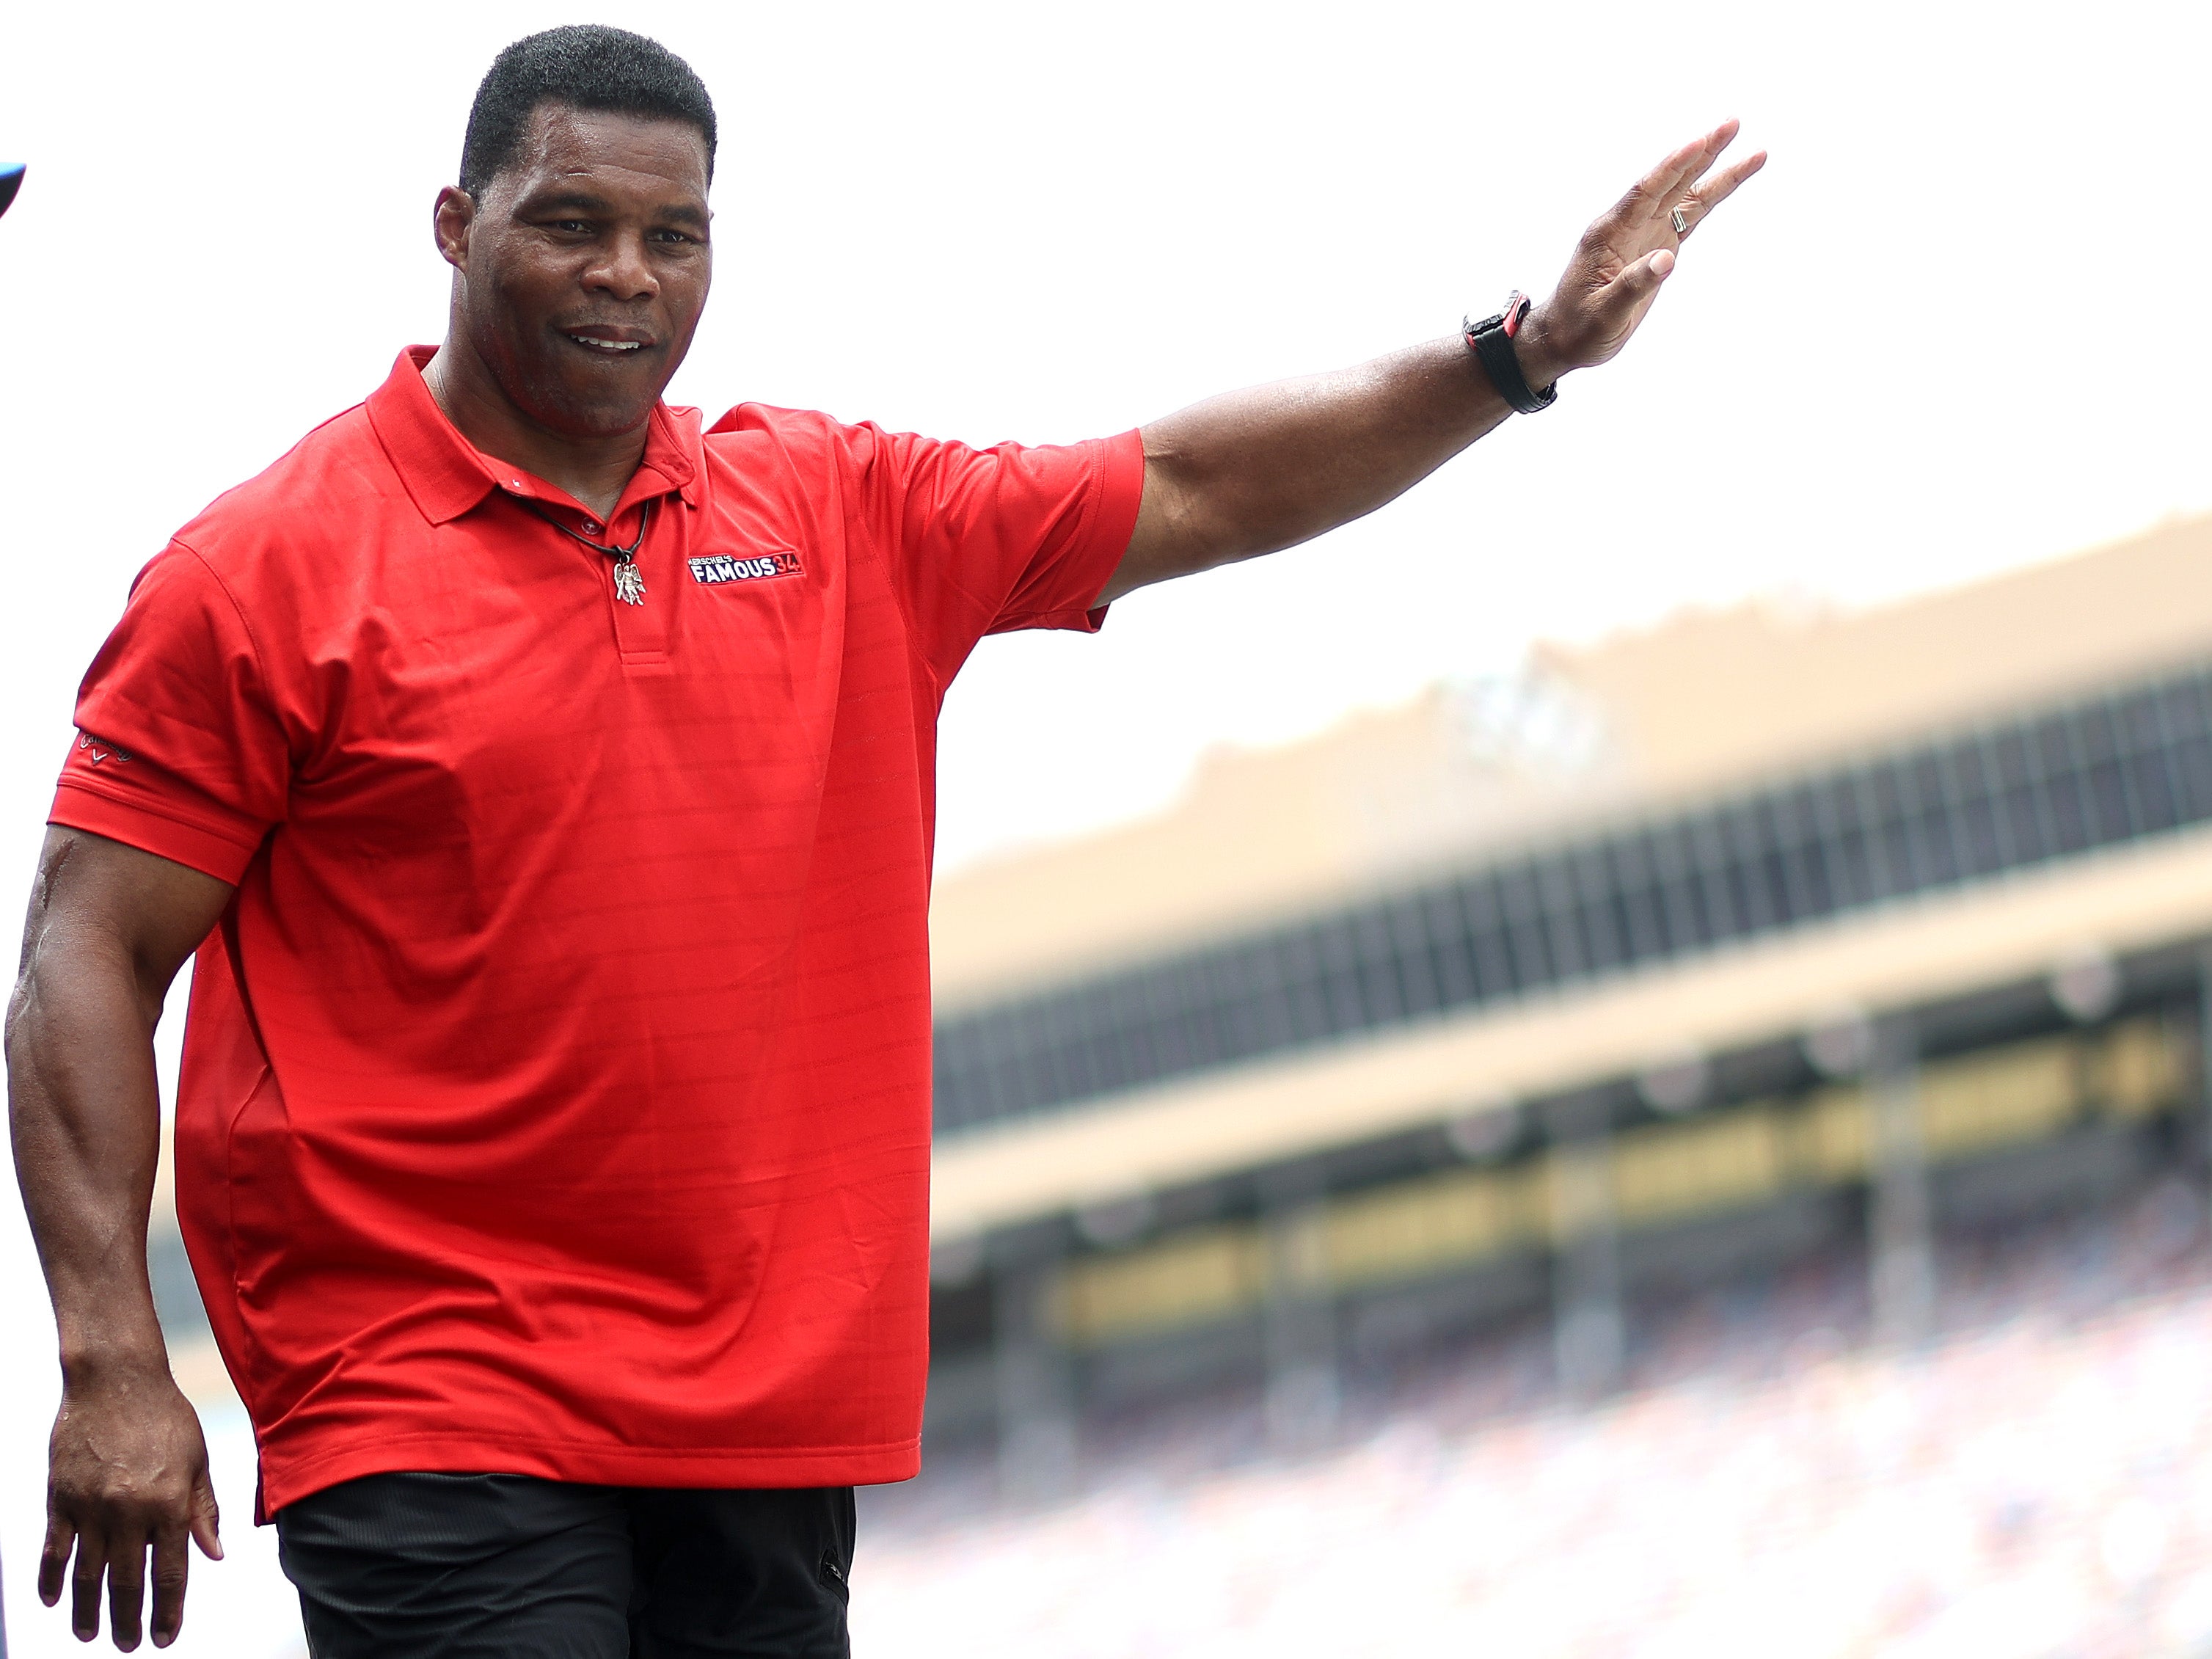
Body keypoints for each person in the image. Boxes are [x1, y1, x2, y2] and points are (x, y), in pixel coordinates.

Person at [5, 23, 1762, 1658]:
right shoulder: (263, 568)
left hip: (766, 1406)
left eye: (674, 236)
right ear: (454, 227)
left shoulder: (836, 506)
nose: (628, 276)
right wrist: (108, 1359)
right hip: (430, 1390)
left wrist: (1513, 359)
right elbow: (85, 954)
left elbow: (1197, 486)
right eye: (572, 225)